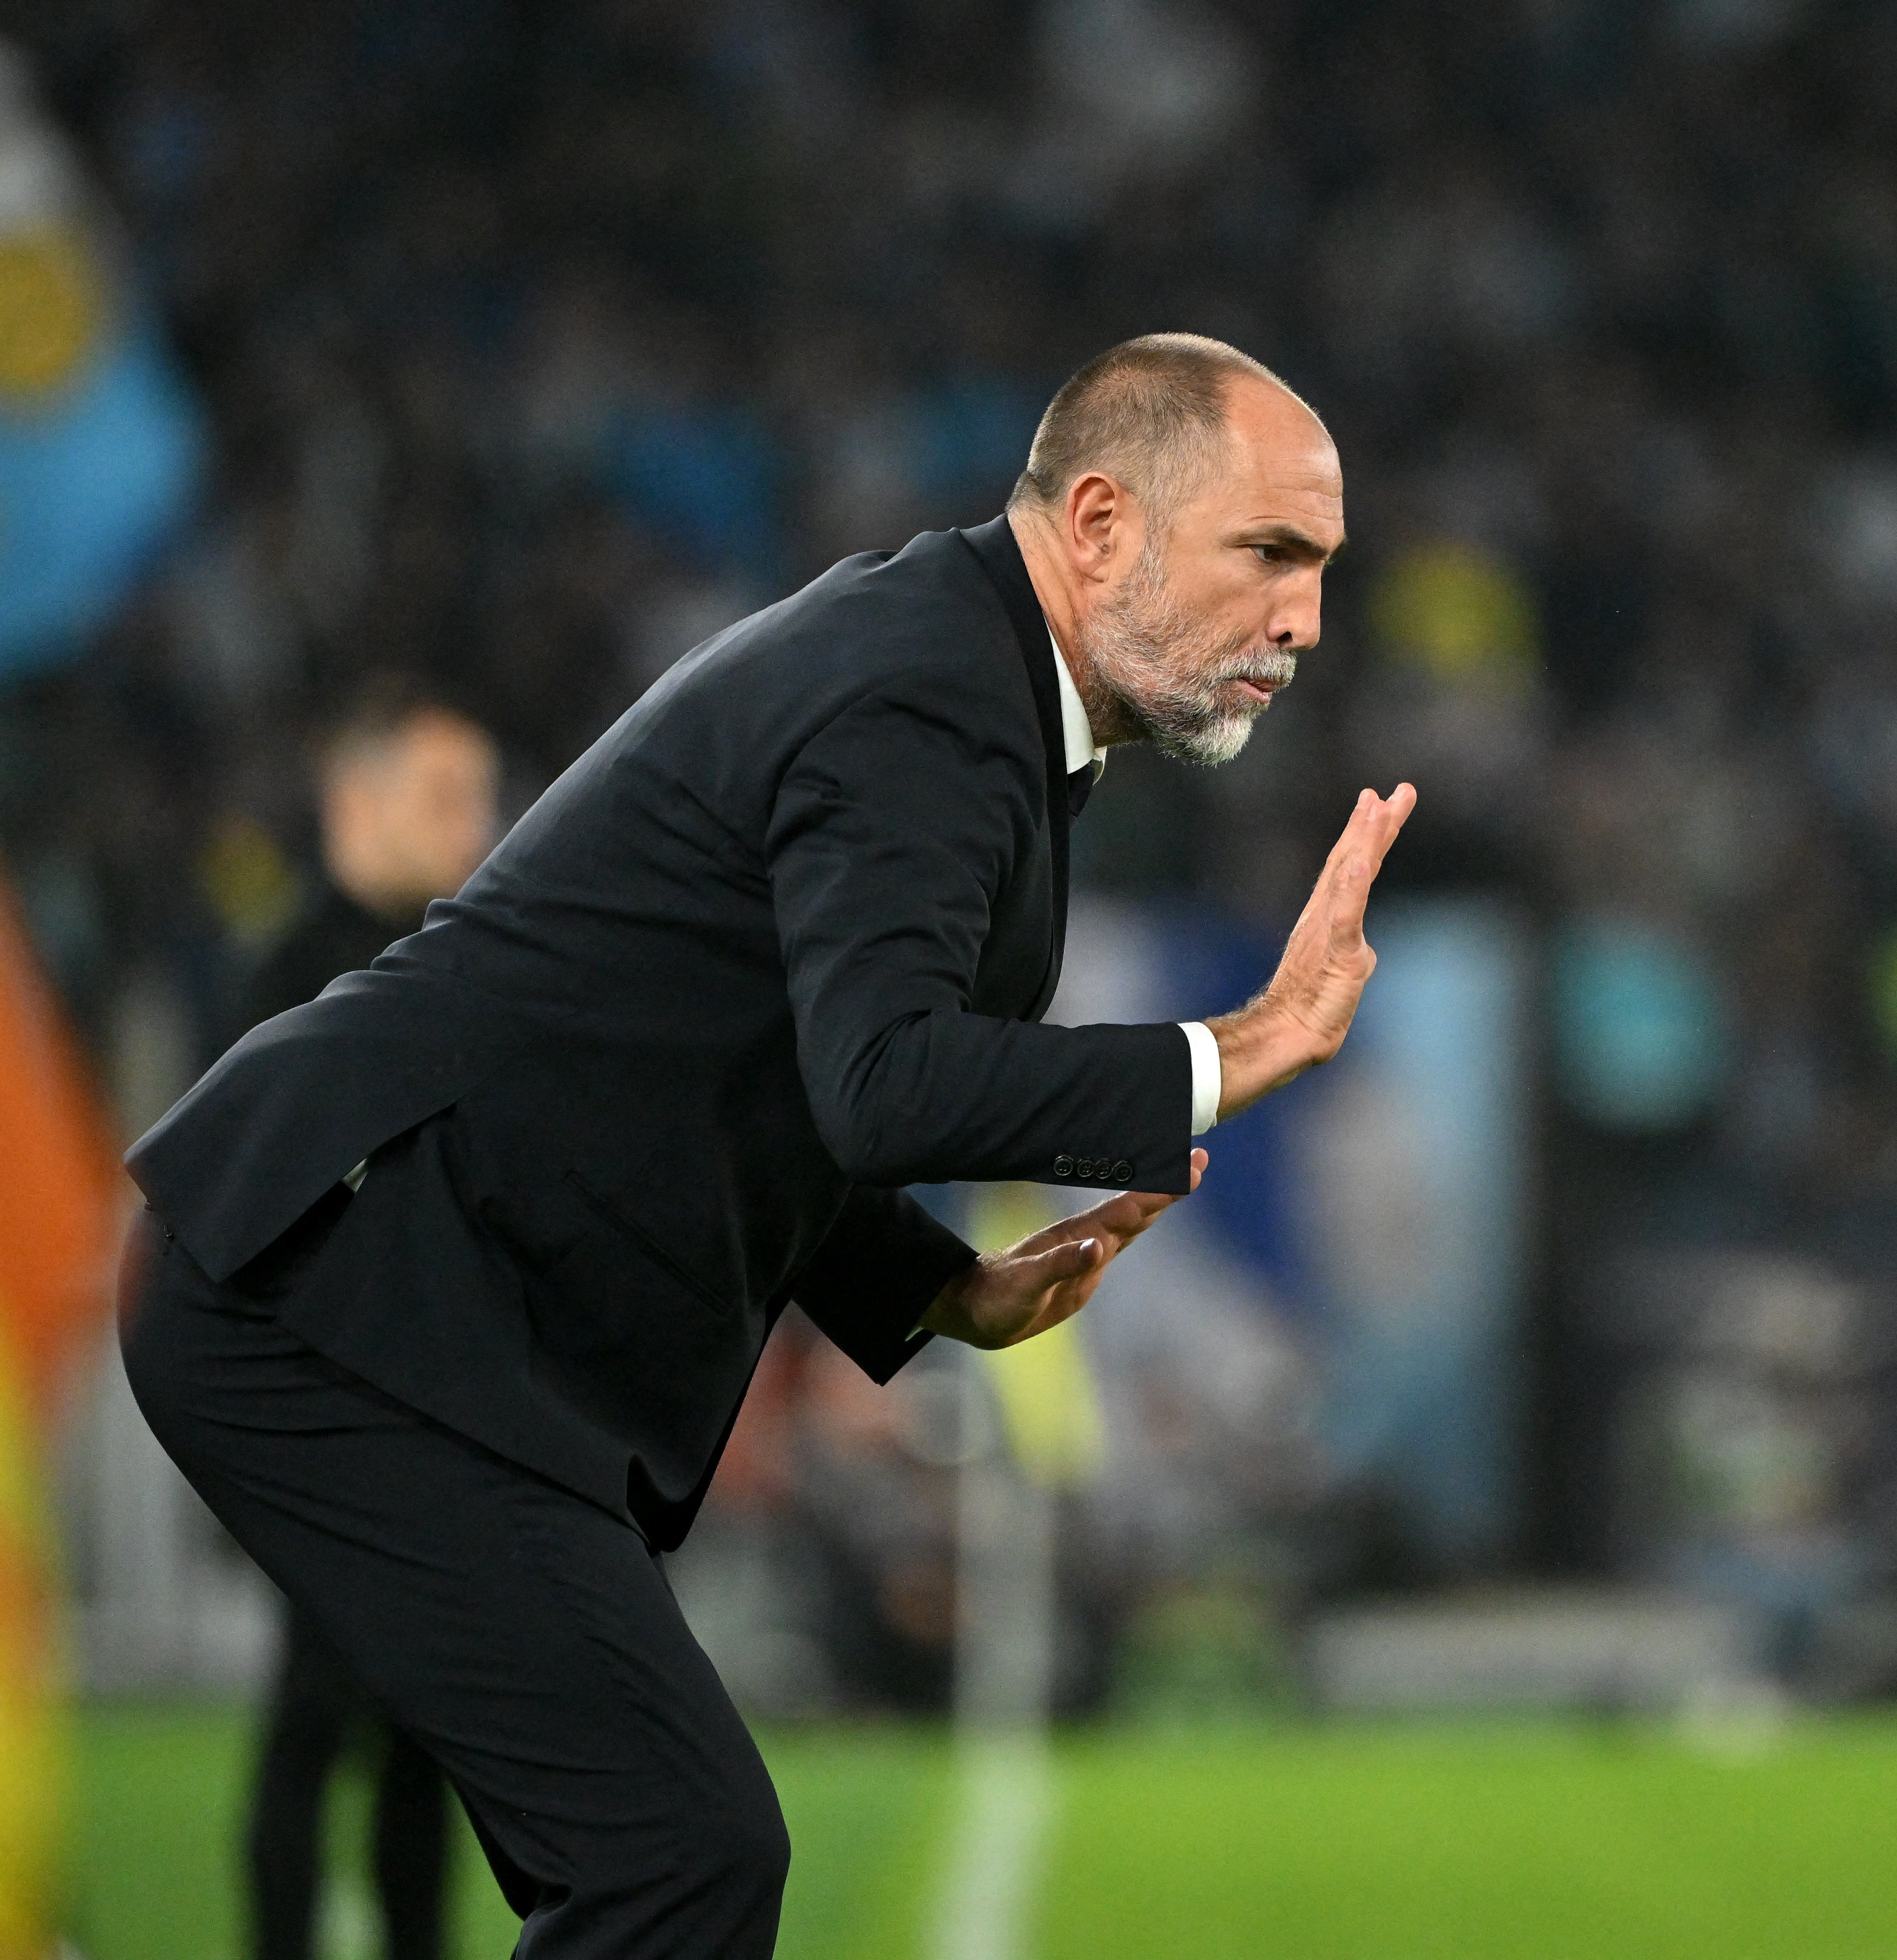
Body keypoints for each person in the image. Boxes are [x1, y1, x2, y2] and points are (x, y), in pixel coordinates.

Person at [122, 333, 1416, 1958]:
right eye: (1272, 552)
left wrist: (940, 1291)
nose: (1304, 618)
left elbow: (752, 1060)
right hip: (339, 1284)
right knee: (676, 1855)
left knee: (663, 1853)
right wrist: (1241, 1049)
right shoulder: (931, 691)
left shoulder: (968, 677)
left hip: (387, 1290)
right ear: (1099, 522)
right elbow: (884, 1080)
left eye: (1321, 566)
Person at [234, 680, 499, 1960]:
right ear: (357, 801)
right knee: (318, 1725)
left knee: (416, 1743)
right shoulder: (291, 982)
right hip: (325, 1426)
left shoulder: (447, 970)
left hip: (429, 1422)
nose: (478, 826)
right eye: (446, 796)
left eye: (483, 798)